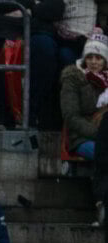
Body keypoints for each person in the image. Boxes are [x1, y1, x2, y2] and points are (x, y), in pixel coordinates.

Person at [0, 1, 65, 128]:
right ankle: (1, 113)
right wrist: (30, 11)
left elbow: (56, 8)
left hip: (35, 31)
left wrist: (26, 11)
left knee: (45, 48)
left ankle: (31, 114)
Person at [59, 32, 108, 160]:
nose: (93, 62)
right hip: (81, 138)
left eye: (98, 58)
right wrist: (100, 134)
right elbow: (71, 117)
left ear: (105, 60)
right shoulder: (73, 78)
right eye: (89, 57)